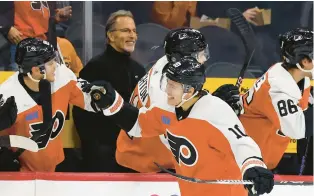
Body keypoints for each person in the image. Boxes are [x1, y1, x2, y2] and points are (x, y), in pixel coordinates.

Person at [88, 57, 274, 196]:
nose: (167, 90)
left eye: (173, 86)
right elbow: (139, 124)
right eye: (168, 83)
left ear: (190, 91)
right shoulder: (167, 108)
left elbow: (241, 142)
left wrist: (254, 167)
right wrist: (112, 104)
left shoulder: (215, 111)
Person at [0, 37, 112, 172]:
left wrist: (102, 98)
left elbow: (89, 100)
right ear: (36, 70)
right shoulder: (7, 96)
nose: (56, 65)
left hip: (56, 167)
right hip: (22, 175)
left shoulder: (62, 77)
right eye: (51, 62)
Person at [214, 27, 313, 171]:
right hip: (240, 166)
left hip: (257, 162)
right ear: (304, 61)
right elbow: (297, 130)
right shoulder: (279, 89)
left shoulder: (292, 74)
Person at [115, 27, 210, 173]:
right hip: (142, 167)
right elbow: (187, 137)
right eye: (200, 55)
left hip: (137, 151)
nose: (204, 59)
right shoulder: (164, 94)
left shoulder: (168, 63)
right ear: (183, 58)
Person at [72, 10, 146, 172]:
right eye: (126, 30)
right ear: (111, 36)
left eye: (134, 31)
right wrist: (95, 152)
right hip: (104, 157)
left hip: (133, 154)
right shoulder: (95, 67)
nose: (132, 35)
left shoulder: (139, 70)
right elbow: (81, 114)